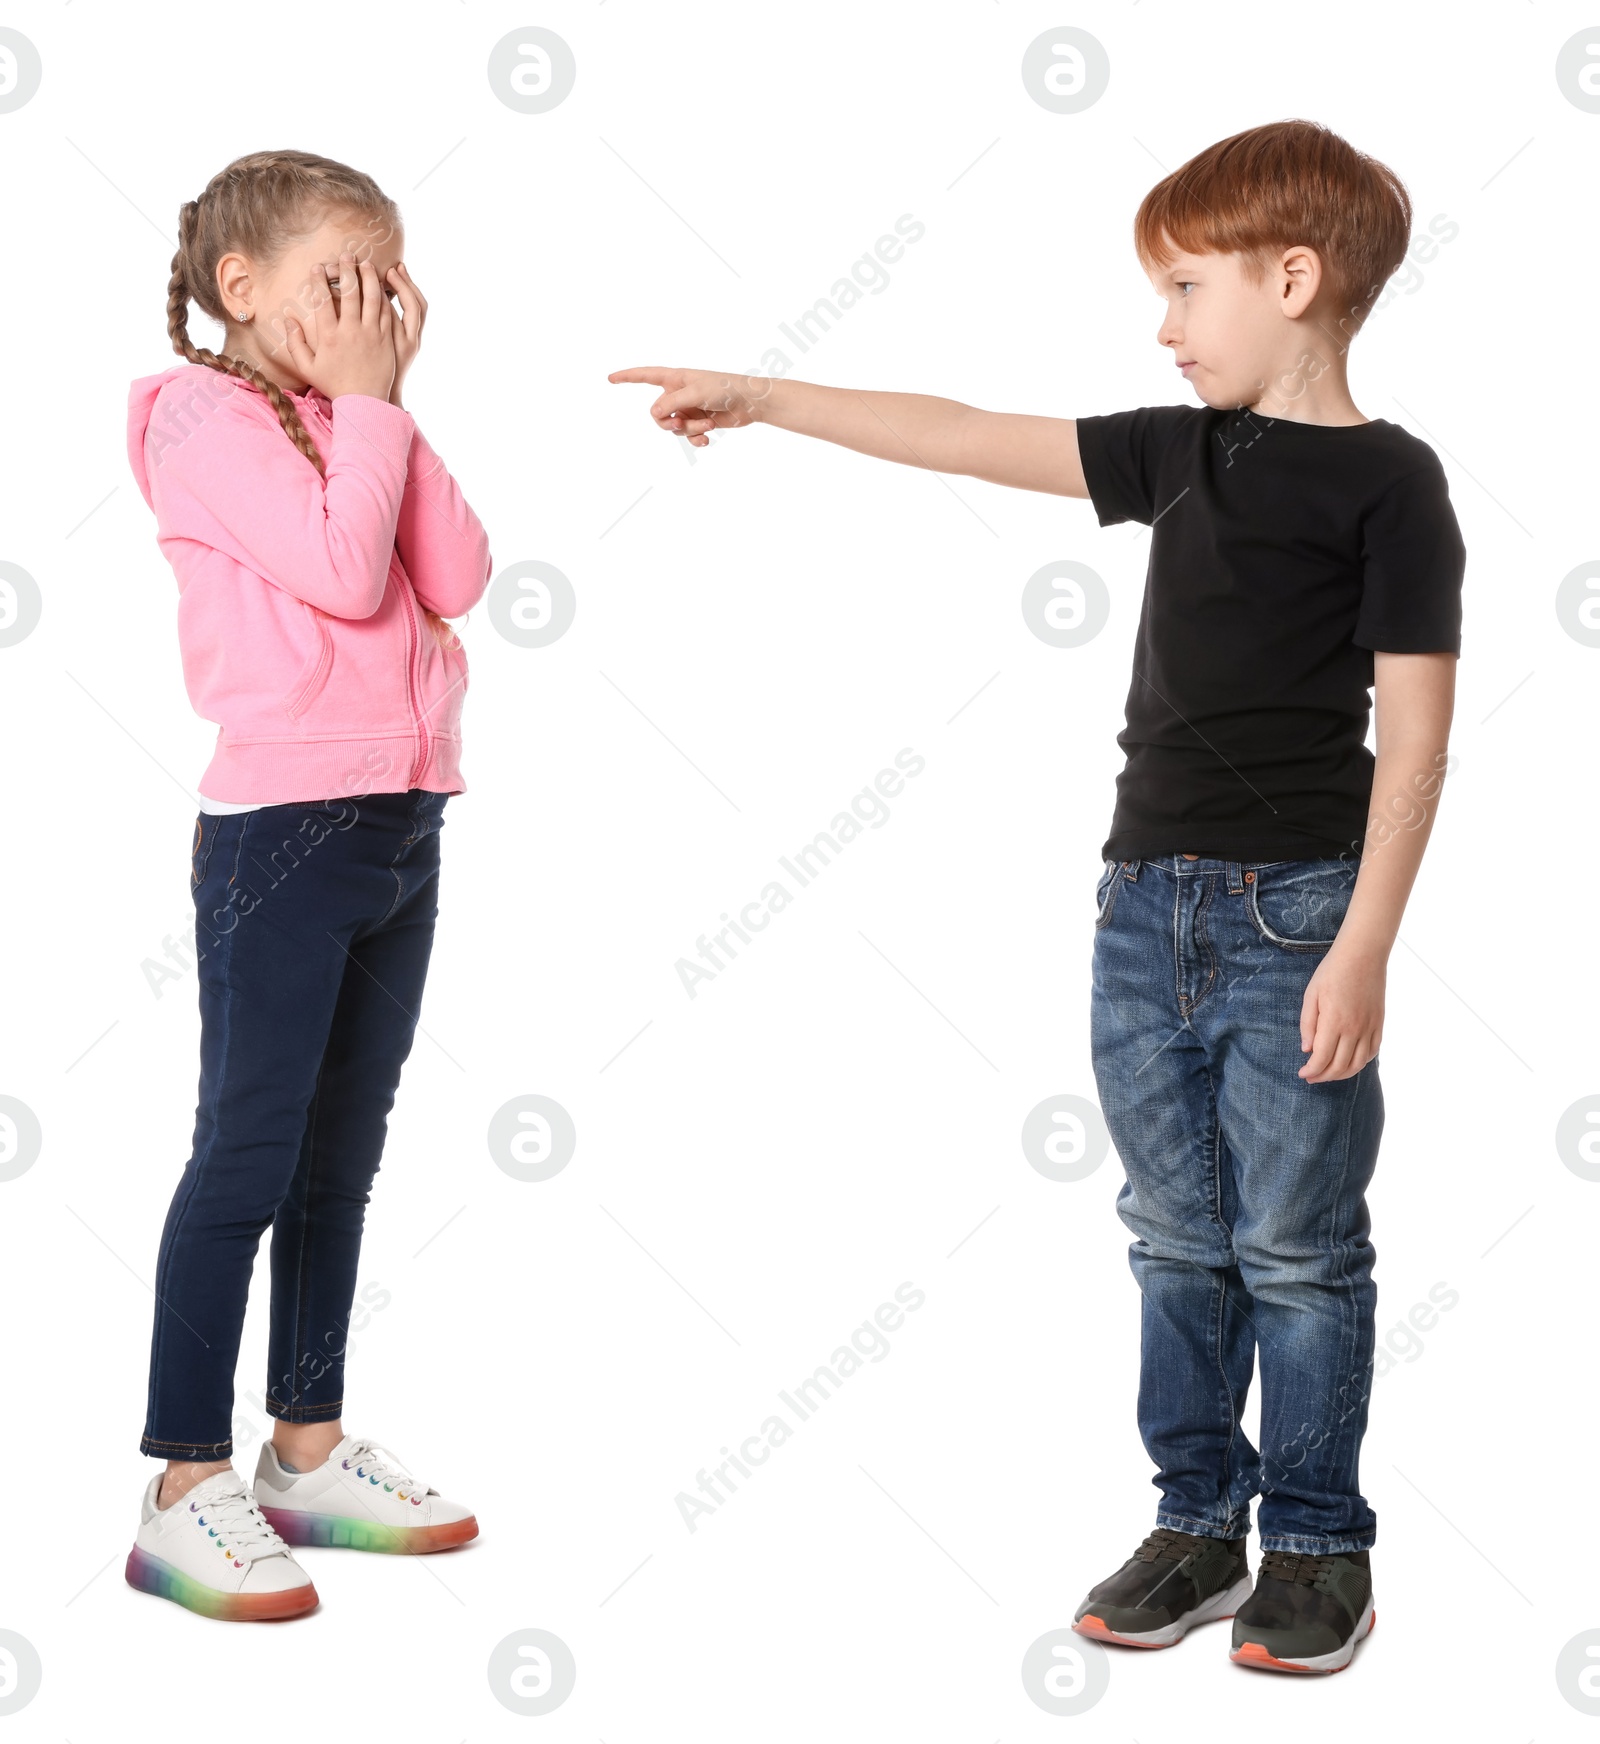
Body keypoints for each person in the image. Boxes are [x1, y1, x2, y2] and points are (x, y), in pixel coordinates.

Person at [610, 118, 1464, 1675]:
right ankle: (1199, 1520)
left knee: (1298, 1247)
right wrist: (768, 395)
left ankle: (1319, 1549)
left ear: (1293, 278)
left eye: (1186, 288)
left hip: (1297, 921)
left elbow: (1418, 737)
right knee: (1173, 1235)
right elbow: (958, 431)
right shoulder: (1175, 452)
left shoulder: (1392, 485)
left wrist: (1365, 946)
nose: (1163, 323)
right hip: (1144, 914)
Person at [124, 150, 490, 1620]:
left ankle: (307, 1449)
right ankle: (180, 1483)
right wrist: (375, 410)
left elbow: (453, 574)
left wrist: (385, 395)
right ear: (244, 290)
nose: (368, 311)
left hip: (403, 818)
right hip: (283, 824)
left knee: (343, 1155)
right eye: (343, 283)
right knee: (247, 1154)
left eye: (385, 287)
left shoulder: (355, 418)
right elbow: (347, 579)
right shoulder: (200, 420)